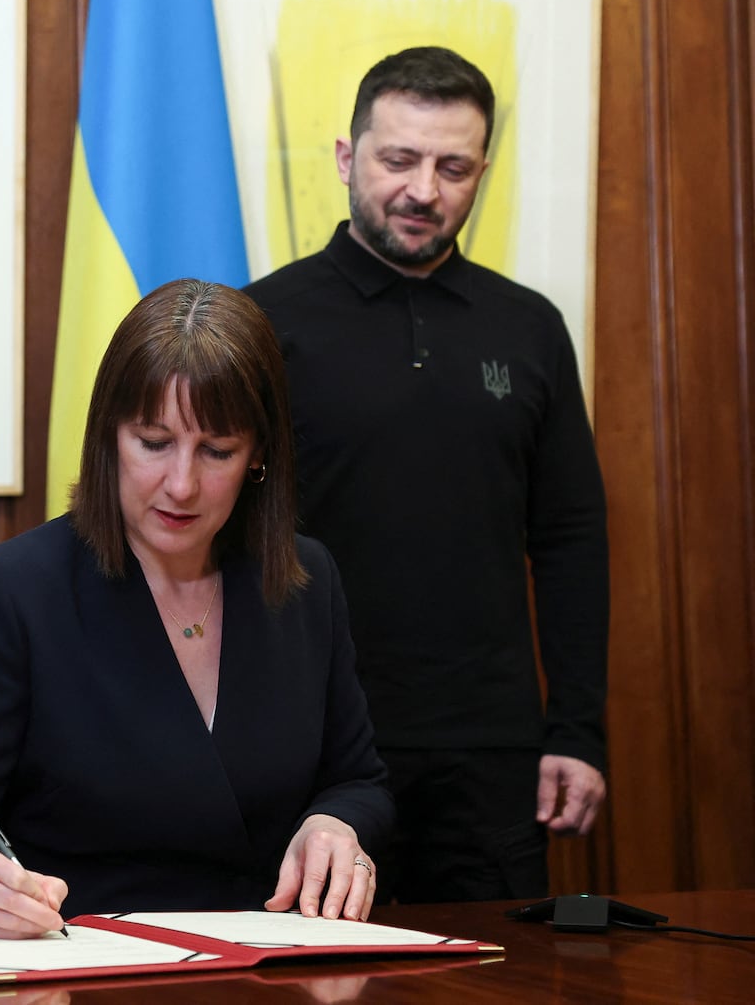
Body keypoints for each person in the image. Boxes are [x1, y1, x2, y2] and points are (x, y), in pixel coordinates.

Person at [0, 279, 393, 938]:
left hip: (270, 968)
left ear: (259, 456)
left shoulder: (304, 579)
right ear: (109, 436)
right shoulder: (15, 589)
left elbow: (359, 780)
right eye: (154, 441)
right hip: (85, 968)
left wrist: (337, 820)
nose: (181, 484)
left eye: (217, 450)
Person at [244, 46, 609, 903]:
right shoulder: (263, 321)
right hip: (312, 745)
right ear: (346, 158)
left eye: (453, 167)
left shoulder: (530, 328)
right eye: (397, 159)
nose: (423, 191)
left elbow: (569, 539)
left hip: (491, 753)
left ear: (482, 170)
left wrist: (579, 730)